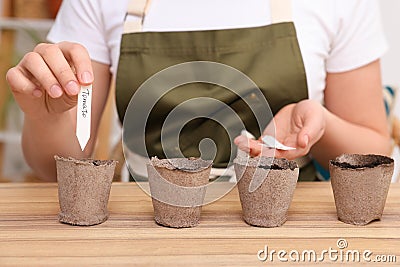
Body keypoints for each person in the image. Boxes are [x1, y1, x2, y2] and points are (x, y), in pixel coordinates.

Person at [6, 0, 391, 182]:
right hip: (143, 229)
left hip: (287, 229)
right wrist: (49, 114)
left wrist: (317, 125)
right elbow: (66, 157)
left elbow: (373, 148)